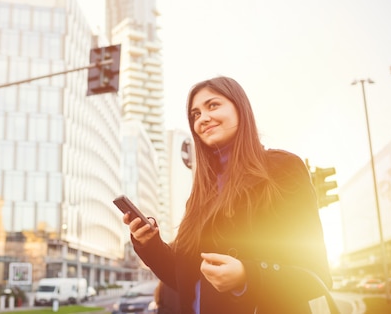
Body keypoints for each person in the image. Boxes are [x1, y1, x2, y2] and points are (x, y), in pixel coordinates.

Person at [123, 76, 336, 314]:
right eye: (195, 114)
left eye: (213, 105)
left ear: (240, 108)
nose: (203, 118)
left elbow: (316, 274)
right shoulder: (201, 192)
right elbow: (184, 279)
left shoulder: (283, 168)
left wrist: (248, 277)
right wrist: (149, 243)